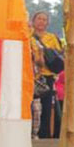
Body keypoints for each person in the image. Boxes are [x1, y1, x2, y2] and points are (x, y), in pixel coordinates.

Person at [30, 11, 64, 139]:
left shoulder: (52, 37)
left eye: (44, 19)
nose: (41, 22)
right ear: (33, 20)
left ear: (47, 23)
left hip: (48, 75)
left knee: (47, 105)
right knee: (30, 105)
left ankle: (44, 134)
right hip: (32, 75)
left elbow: (59, 54)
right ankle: (31, 132)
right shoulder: (29, 36)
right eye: (39, 19)